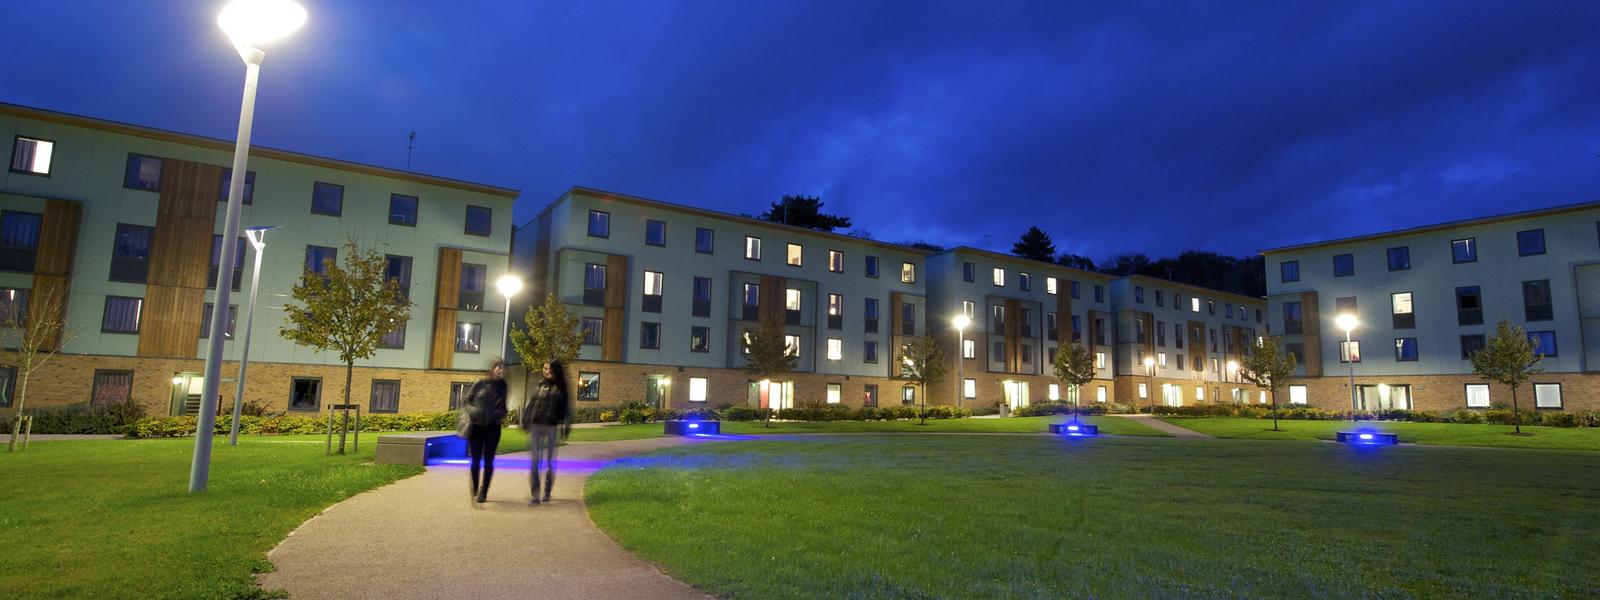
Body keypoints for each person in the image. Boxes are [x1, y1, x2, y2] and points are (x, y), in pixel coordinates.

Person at [520, 360, 572, 504]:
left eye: (549, 369)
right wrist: (525, 420)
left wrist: (566, 425)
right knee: (535, 459)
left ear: (555, 370)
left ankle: (547, 490)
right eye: (544, 368)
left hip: (551, 426)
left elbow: (567, 408)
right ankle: (535, 493)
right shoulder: (539, 385)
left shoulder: (561, 387)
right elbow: (532, 404)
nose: (546, 371)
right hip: (537, 425)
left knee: (550, 460)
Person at [464, 359, 509, 504]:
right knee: (475, 461)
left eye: (503, 368)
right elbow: (466, 400)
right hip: (476, 428)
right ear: (493, 369)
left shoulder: (503, 386)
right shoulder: (480, 383)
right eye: (498, 367)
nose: (501, 370)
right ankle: (476, 485)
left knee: (489, 462)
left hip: (493, 428)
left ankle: (484, 491)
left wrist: (501, 414)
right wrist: (474, 411)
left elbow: (503, 405)